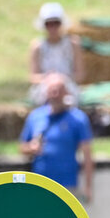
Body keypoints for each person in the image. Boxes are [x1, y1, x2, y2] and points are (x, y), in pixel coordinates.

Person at [19, 73, 95, 202]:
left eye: (59, 90)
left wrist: (88, 187)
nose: (55, 94)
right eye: (52, 90)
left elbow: (87, 155)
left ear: (66, 92)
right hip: (40, 184)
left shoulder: (77, 119)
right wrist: (31, 148)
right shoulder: (35, 117)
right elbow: (22, 148)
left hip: (67, 185)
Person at [29, 2, 84, 105]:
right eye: (49, 24)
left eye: (56, 23)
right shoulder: (37, 46)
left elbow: (80, 75)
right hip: (44, 87)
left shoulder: (73, 44)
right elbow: (33, 77)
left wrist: (61, 80)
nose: (53, 28)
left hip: (68, 86)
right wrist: (50, 80)